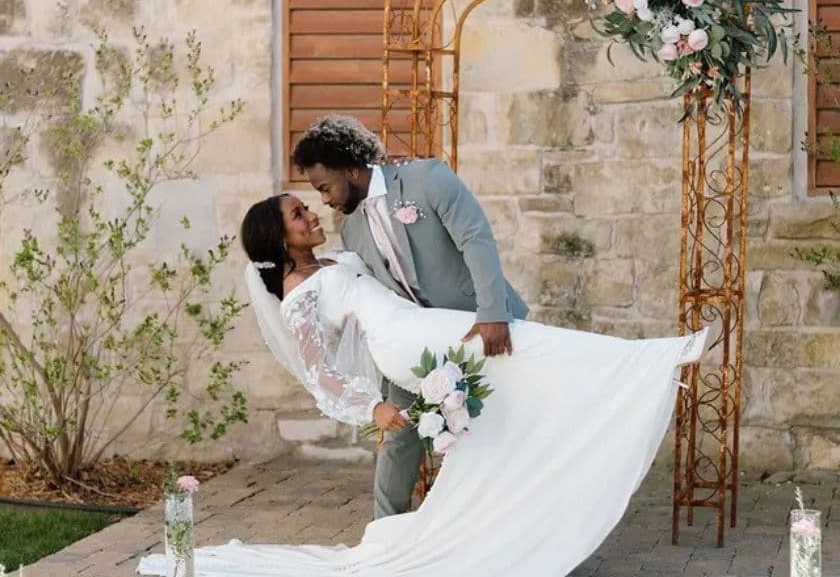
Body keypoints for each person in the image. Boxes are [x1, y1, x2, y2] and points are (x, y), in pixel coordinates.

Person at [137, 193, 708, 577]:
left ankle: (503, 520)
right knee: (522, 342)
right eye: (296, 214)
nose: (310, 214)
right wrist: (374, 407)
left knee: (520, 366)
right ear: (277, 236)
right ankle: (660, 357)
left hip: (416, 325)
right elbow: (319, 371)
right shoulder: (297, 295)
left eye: (306, 206)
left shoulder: (331, 262)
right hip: (405, 342)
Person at [291, 115, 529, 519]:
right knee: (399, 437)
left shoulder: (427, 178)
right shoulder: (351, 230)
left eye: (325, 187)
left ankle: (505, 521)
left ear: (351, 169)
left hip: (479, 328)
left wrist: (493, 313)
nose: (325, 200)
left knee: (499, 433)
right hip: (419, 349)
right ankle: (385, 534)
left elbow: (476, 238)